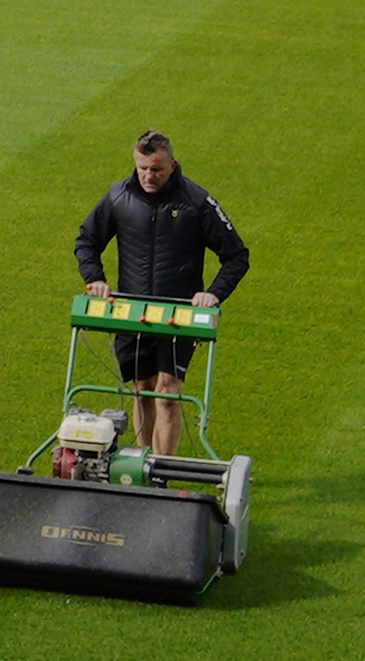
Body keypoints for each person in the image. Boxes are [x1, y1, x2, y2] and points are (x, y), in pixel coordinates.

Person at [75, 130, 249, 457]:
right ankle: (143, 464)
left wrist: (213, 294)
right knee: (142, 391)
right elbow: (86, 240)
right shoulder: (119, 197)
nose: (148, 176)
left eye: (156, 169)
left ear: (172, 165)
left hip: (178, 314)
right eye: (142, 168)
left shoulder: (196, 202)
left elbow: (237, 256)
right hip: (133, 311)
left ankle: (160, 474)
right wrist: (94, 278)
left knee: (167, 394)